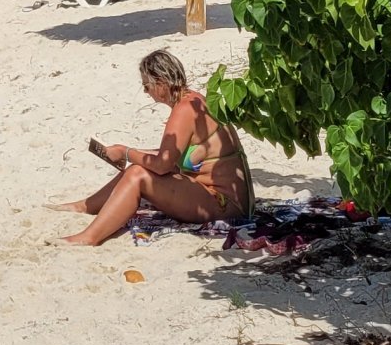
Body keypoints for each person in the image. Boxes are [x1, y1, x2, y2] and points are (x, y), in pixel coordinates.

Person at [54, 48, 253, 244]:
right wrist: (129, 153)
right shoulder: (193, 100)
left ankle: (90, 237)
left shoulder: (184, 109)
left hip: (225, 205)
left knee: (137, 174)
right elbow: (173, 156)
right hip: (228, 200)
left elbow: (163, 165)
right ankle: (86, 206)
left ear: (161, 83)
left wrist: (126, 152)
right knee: (137, 168)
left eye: (146, 86)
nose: (146, 92)